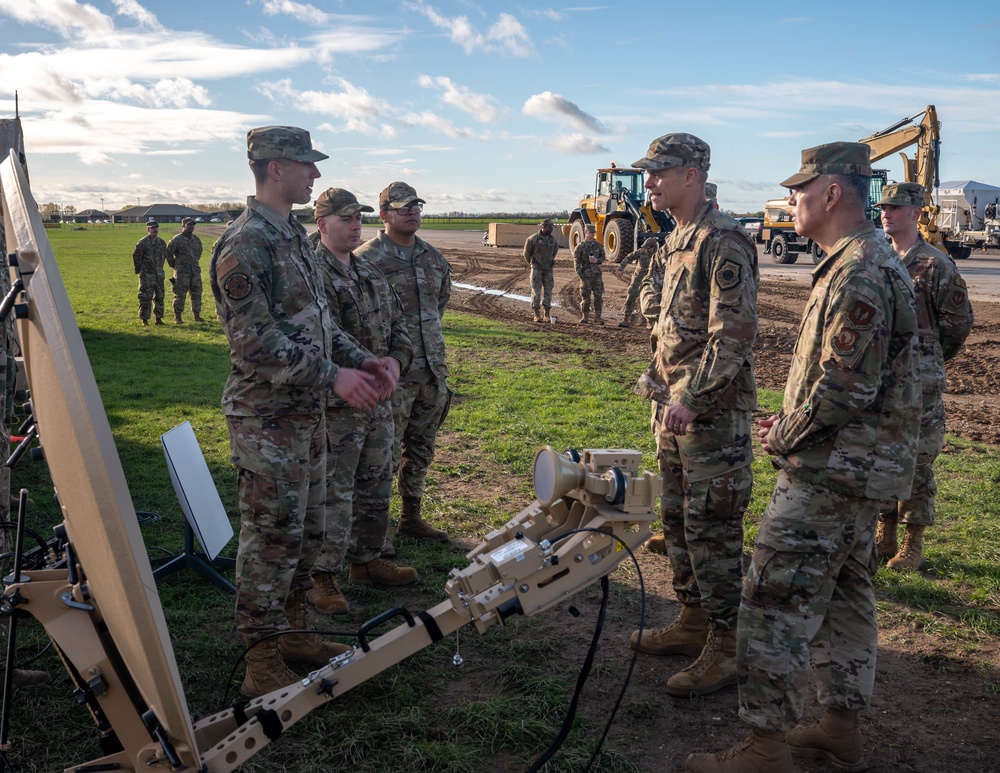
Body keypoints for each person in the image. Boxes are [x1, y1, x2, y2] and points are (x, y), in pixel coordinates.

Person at [685, 142, 920, 773]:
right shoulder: (858, 261)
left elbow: (846, 387)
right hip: (857, 464)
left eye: (799, 191)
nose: (791, 202)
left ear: (832, 194)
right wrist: (792, 419)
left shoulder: (860, 270)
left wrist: (786, 434)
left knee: (770, 599)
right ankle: (838, 729)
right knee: (845, 595)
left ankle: (764, 750)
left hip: (832, 470)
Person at [210, 125, 390, 697]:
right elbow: (255, 345)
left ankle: (294, 634)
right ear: (275, 168)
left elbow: (320, 326)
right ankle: (260, 659)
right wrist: (335, 376)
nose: (315, 175)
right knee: (271, 538)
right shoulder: (245, 244)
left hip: (306, 415)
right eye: (306, 165)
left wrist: (361, 361)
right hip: (266, 422)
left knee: (308, 533)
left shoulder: (291, 237)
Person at [627, 133, 758, 699]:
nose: (650, 181)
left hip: (710, 416)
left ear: (693, 175)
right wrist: (662, 381)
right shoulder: (676, 238)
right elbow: (665, 316)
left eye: (659, 172)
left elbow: (732, 336)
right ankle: (692, 622)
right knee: (678, 521)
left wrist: (692, 397)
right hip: (674, 407)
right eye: (649, 172)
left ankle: (728, 648)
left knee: (713, 529)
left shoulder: (722, 239)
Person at [308, 187, 418, 614]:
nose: (356, 226)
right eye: (346, 219)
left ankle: (367, 560)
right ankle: (321, 576)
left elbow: (400, 328)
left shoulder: (368, 273)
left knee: (375, 482)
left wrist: (394, 361)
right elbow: (320, 338)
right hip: (337, 406)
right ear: (322, 224)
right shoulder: (312, 273)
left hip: (379, 402)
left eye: (359, 219)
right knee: (333, 490)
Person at [876, 182, 974, 571]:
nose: (887, 213)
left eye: (896, 208)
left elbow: (957, 325)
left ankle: (912, 543)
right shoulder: (879, 258)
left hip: (920, 380)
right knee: (881, 453)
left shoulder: (936, 264)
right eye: (884, 207)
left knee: (917, 459)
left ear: (916, 213)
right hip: (880, 376)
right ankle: (885, 534)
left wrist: (928, 357)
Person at [356, 182, 452, 548]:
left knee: (422, 448)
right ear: (384, 215)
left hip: (431, 371)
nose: (412, 212)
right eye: (403, 207)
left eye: (417, 206)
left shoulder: (432, 257)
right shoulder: (367, 260)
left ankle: (411, 517)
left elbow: (439, 305)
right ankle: (376, 533)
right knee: (383, 452)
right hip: (391, 376)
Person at [166, 217, 205, 324]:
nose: (191, 227)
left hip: (195, 271)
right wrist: (175, 265)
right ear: (183, 226)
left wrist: (193, 263)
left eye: (193, 225)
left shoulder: (196, 239)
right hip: (181, 272)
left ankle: (197, 315)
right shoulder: (176, 240)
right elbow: (169, 254)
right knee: (180, 294)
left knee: (197, 293)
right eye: (189, 225)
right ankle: (177, 317)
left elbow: (199, 253)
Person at [522, 218, 560, 323]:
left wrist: (549, 262)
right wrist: (533, 264)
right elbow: (526, 254)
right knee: (536, 292)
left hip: (548, 270)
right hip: (536, 269)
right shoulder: (532, 239)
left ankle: (547, 314)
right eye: (550, 227)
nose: (551, 229)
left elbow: (554, 252)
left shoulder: (553, 241)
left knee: (548, 292)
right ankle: (536, 314)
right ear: (544, 227)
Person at [616, 237, 657, 328]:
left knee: (651, 299)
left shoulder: (659, 254)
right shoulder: (641, 251)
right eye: (645, 247)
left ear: (653, 247)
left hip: (651, 278)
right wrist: (621, 268)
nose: (646, 249)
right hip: (638, 277)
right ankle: (626, 319)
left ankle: (650, 322)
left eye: (648, 248)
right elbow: (628, 257)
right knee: (631, 294)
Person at [132, 219, 166, 326]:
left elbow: (164, 257)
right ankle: (144, 319)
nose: (155, 229)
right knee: (145, 297)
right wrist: (140, 270)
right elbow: (136, 257)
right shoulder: (142, 242)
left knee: (160, 297)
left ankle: (159, 319)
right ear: (148, 229)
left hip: (159, 275)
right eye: (152, 228)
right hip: (146, 275)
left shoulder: (161, 242)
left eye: (156, 227)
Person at [573, 223, 605, 324]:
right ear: (585, 232)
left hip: (597, 275)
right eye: (590, 232)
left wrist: (597, 260)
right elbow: (576, 262)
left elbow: (603, 258)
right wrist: (581, 274)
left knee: (598, 297)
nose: (592, 234)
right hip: (585, 275)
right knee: (585, 297)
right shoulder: (580, 247)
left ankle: (598, 317)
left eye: (593, 233)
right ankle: (585, 316)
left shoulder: (598, 246)